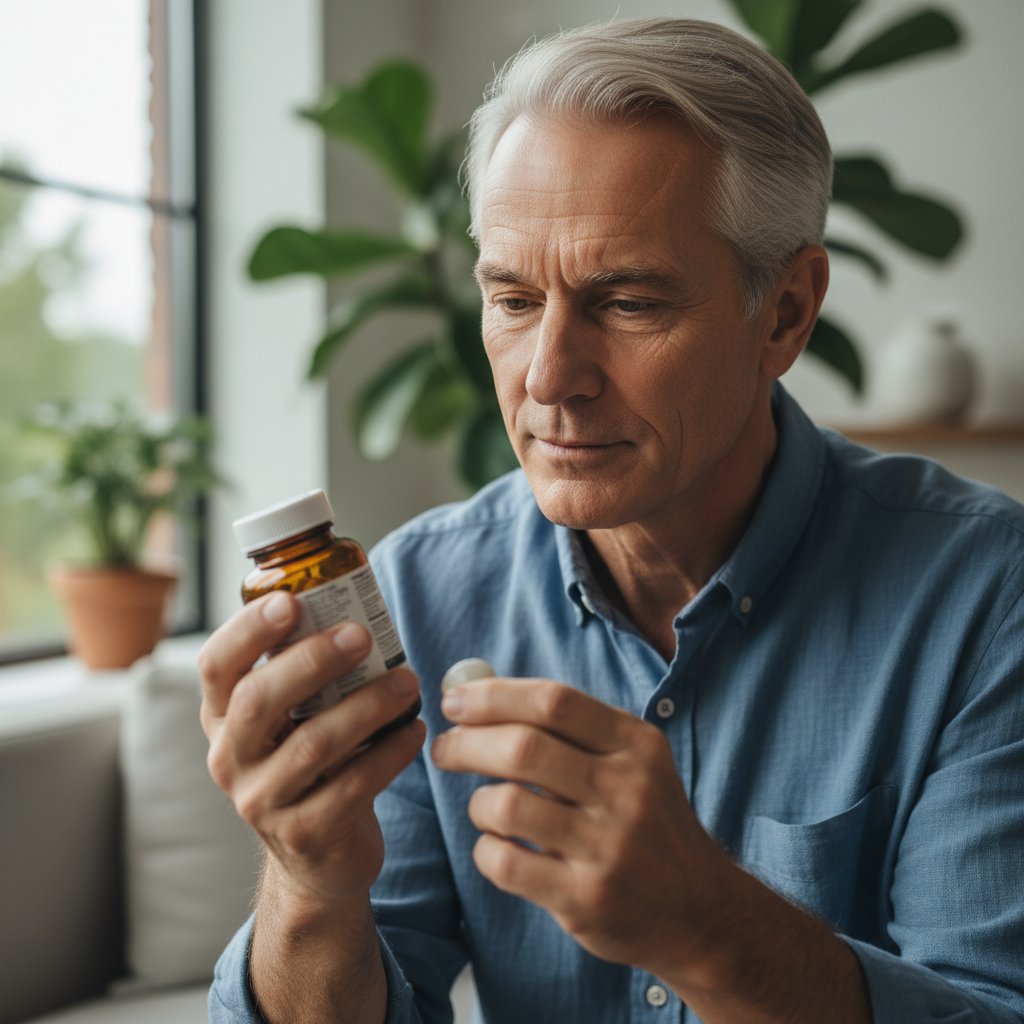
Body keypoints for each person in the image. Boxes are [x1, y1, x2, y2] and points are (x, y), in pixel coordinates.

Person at [201, 18, 1024, 1024]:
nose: (548, 379)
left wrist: (708, 923)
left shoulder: (987, 597)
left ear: (784, 313)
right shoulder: (416, 597)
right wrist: (308, 885)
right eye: (511, 300)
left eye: (627, 302)